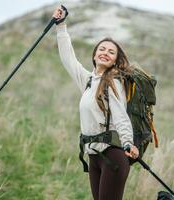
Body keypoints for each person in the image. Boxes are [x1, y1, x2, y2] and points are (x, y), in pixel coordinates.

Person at [53, 6, 139, 200]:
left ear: (116, 61)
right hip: (94, 157)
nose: (105, 53)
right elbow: (69, 59)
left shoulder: (113, 81)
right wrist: (61, 26)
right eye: (102, 49)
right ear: (94, 55)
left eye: (111, 52)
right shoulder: (89, 81)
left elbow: (120, 114)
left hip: (113, 156)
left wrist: (127, 142)